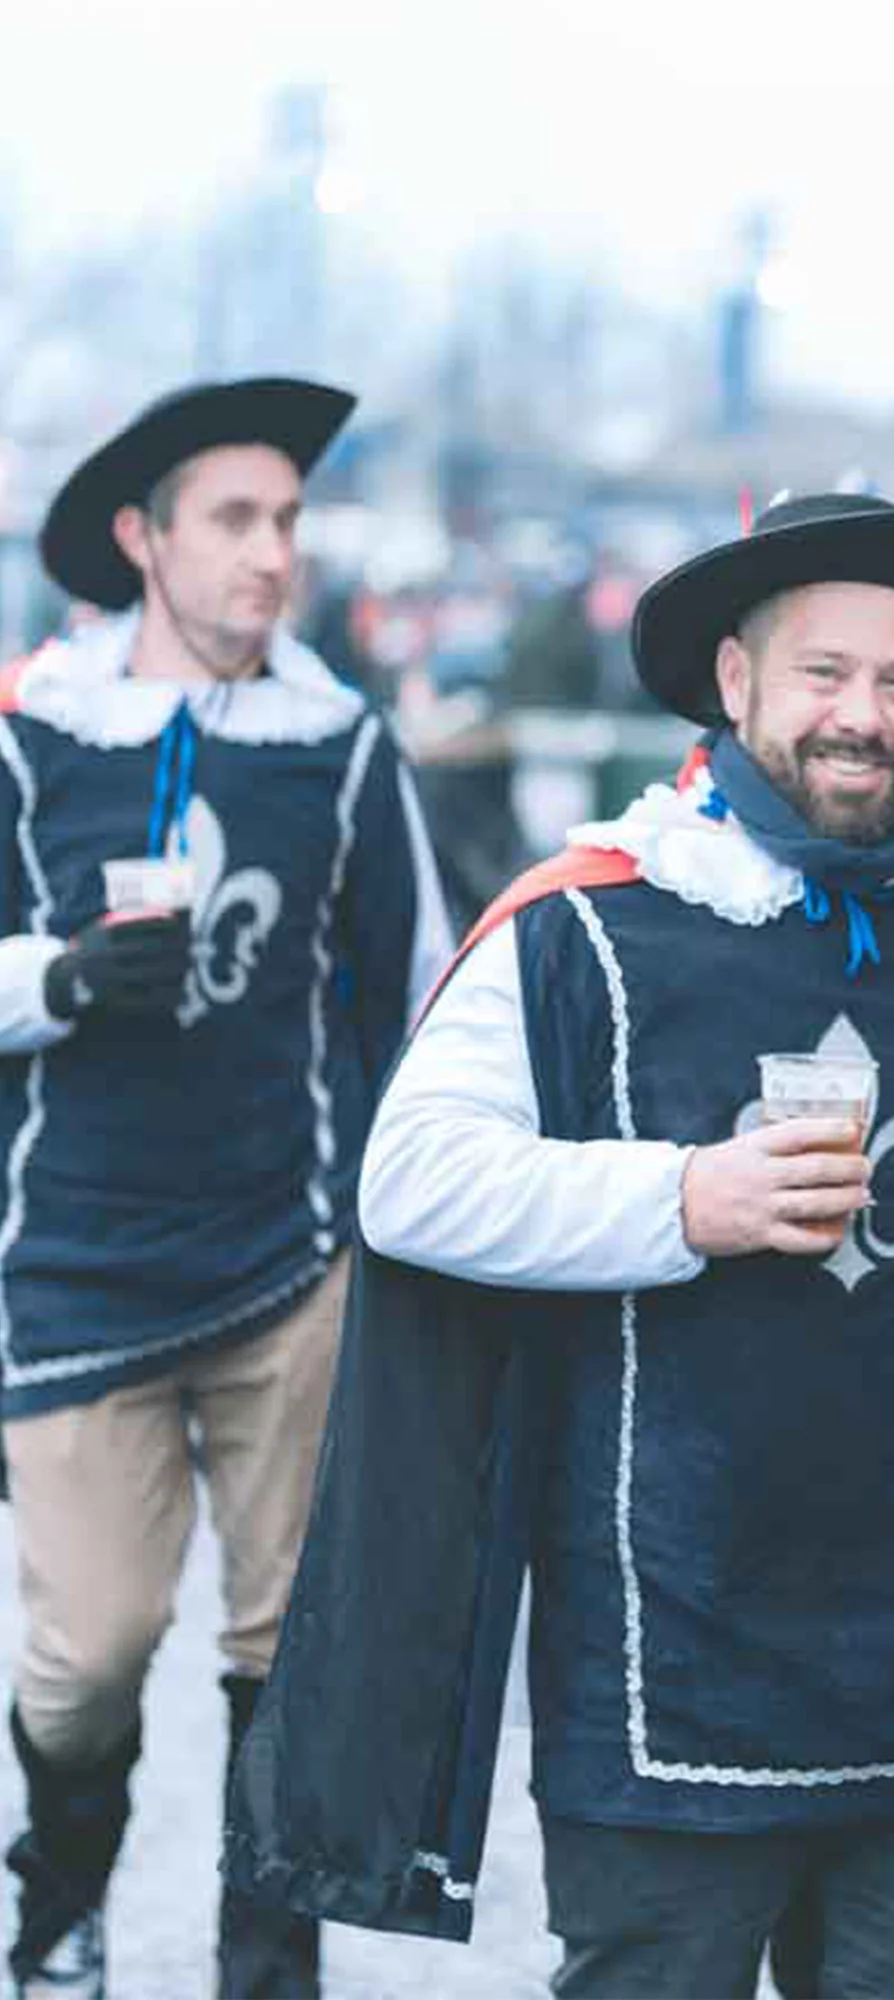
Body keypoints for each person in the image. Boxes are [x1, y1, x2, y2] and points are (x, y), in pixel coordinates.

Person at [225, 494, 894, 2000]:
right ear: (734, 681)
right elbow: (408, 1180)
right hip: (670, 1682)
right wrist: (681, 1202)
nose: (863, 718)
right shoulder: (582, 926)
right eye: (823, 675)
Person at [0, 377, 451, 1999]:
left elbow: (423, 993)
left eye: (289, 521)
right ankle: (59, 1898)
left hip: (290, 1262)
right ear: (142, 539)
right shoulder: (32, 736)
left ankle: (271, 1977)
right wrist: (57, 981)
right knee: (89, 1653)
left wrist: (397, 1213)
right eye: (236, 520)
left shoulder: (337, 748)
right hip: (71, 1266)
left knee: (285, 1662)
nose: (275, 555)